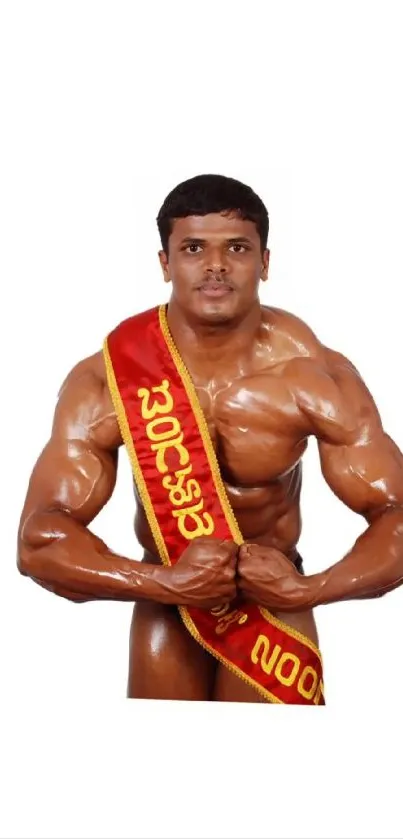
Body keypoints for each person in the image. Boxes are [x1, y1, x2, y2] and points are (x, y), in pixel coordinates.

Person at [17, 174, 403, 704]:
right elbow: (39, 540)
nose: (215, 265)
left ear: (265, 262)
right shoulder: (107, 379)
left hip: (275, 603)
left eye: (237, 248)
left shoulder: (315, 377)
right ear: (165, 263)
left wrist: (310, 589)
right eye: (194, 248)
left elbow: (397, 518)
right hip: (163, 598)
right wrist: (163, 584)